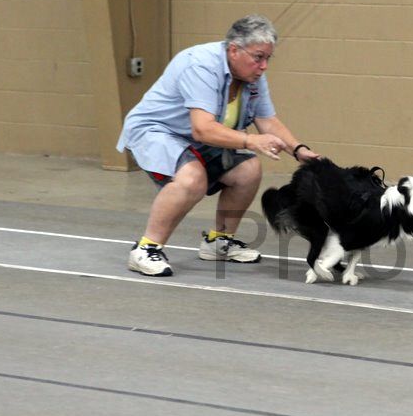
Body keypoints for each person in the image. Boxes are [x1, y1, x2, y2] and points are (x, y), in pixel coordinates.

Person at [117, 14, 319, 276]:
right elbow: (202, 128)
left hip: (195, 137)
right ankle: (146, 249)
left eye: (268, 58)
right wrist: (250, 140)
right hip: (156, 131)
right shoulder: (201, 66)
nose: (264, 65)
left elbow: (266, 119)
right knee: (192, 178)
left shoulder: (252, 76)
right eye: (258, 57)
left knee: (248, 169)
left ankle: (218, 243)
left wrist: (298, 150)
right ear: (234, 49)